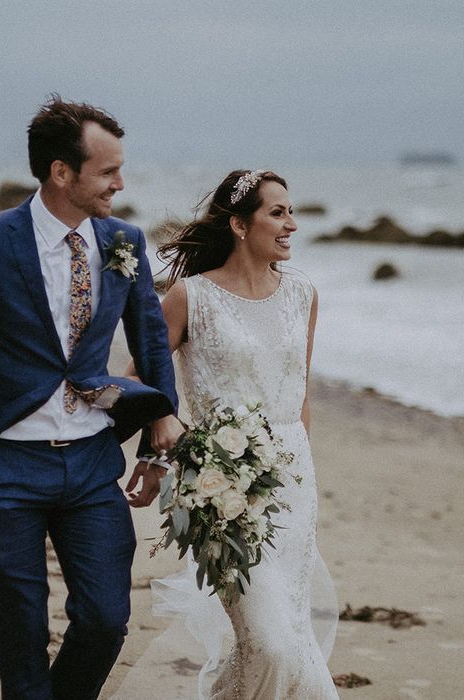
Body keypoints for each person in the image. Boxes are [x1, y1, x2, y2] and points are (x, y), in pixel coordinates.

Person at [0, 96, 183, 700]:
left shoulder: (125, 242)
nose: (121, 182)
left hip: (91, 461)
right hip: (6, 465)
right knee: (20, 635)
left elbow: (152, 342)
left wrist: (160, 420)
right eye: (108, 171)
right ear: (62, 172)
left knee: (106, 620)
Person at [149, 169, 339, 698]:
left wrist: (301, 471)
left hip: (294, 485)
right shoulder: (191, 297)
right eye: (277, 213)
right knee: (272, 644)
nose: (291, 225)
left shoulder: (303, 294)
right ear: (238, 223)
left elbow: (299, 393)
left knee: (284, 639)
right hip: (220, 491)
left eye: (292, 212)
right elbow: (144, 379)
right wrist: (161, 431)